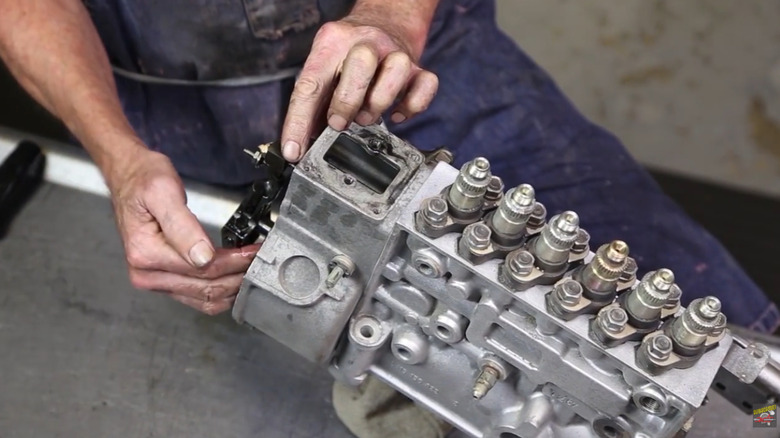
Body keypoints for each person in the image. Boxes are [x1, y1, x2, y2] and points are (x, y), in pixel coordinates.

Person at [0, 0, 777, 335]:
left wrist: (394, 15)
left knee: (711, 326)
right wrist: (121, 157)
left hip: (417, 67)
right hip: (156, 107)